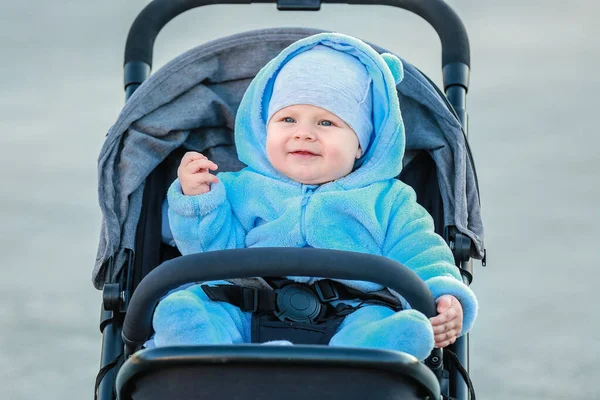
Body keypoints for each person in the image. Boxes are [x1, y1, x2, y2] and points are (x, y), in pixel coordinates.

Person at [153, 33, 477, 361]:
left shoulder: (389, 201)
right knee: (186, 310)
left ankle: (372, 359)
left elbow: (421, 252)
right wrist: (198, 202)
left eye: (326, 122)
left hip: (353, 312)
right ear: (265, 129)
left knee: (395, 327)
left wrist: (444, 295)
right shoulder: (239, 188)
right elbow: (210, 254)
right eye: (287, 119)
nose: (304, 132)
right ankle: (206, 359)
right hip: (245, 304)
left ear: (362, 144)